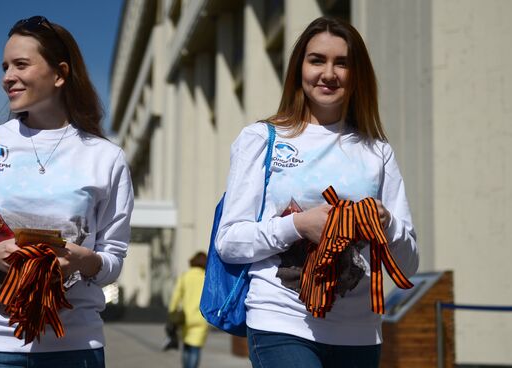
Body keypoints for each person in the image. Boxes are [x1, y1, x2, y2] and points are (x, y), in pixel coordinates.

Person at [215, 17, 419, 368]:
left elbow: (409, 264)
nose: (329, 73)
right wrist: (297, 226)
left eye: (342, 63)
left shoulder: (377, 151)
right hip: (280, 319)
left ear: (358, 75)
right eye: (317, 60)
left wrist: (386, 225)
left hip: (359, 333)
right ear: (299, 68)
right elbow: (230, 242)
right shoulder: (261, 139)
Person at [0, 16, 133, 368]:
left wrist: (84, 260)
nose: (7, 77)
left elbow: (113, 258)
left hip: (74, 343)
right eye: (4, 67)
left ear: (59, 74)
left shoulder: (106, 157)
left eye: (21, 65)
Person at [167, 251, 209, 368]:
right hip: (202, 318)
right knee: (195, 349)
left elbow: (176, 296)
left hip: (186, 318)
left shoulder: (185, 276)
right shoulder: (206, 277)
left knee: (186, 345)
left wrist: (172, 312)